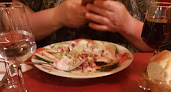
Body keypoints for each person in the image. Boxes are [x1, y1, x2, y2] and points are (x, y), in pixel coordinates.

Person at [14, 0, 152, 52]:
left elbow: (157, 45)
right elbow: (13, 34)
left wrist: (127, 24)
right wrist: (57, 16)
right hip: (47, 76)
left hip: (128, 77)